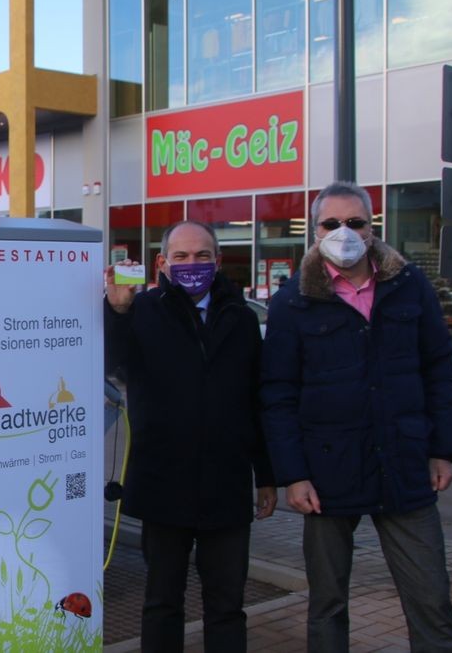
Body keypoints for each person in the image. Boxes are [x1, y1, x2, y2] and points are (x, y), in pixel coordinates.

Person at [261, 181, 452, 652]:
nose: (344, 232)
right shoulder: (293, 301)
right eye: (332, 224)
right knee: (327, 607)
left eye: (355, 222)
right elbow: (277, 394)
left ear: (372, 229)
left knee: (431, 601)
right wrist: (293, 475)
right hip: (327, 475)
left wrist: (442, 450)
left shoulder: (409, 286)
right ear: (314, 231)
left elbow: (439, 370)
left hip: (405, 464)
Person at [104, 220, 277, 652]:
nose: (192, 264)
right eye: (180, 256)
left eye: (202, 255)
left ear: (217, 262)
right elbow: (111, 363)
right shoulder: (141, 310)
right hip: (163, 485)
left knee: (226, 606)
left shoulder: (239, 318)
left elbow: (256, 399)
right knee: (162, 604)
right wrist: (117, 311)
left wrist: (267, 475)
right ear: (162, 263)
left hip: (227, 487)